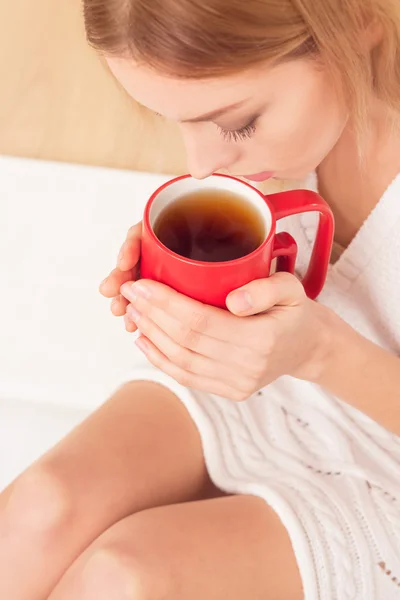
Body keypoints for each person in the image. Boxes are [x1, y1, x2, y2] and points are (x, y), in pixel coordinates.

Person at [1, 0, 400, 598]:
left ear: (355, 18)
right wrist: (191, 271)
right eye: (172, 120)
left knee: (126, 579)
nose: (201, 166)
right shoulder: (298, 125)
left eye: (237, 125)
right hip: (283, 382)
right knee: (40, 509)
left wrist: (319, 351)